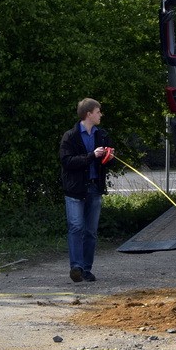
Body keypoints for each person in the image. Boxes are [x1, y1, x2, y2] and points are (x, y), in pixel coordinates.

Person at [59, 98, 115, 283]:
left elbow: (109, 162)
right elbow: (67, 162)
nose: (101, 115)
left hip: (94, 188)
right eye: (98, 112)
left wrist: (109, 157)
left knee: (90, 231)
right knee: (76, 227)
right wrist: (92, 155)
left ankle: (86, 269)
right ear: (89, 113)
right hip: (75, 190)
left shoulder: (102, 135)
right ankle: (76, 267)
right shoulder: (70, 136)